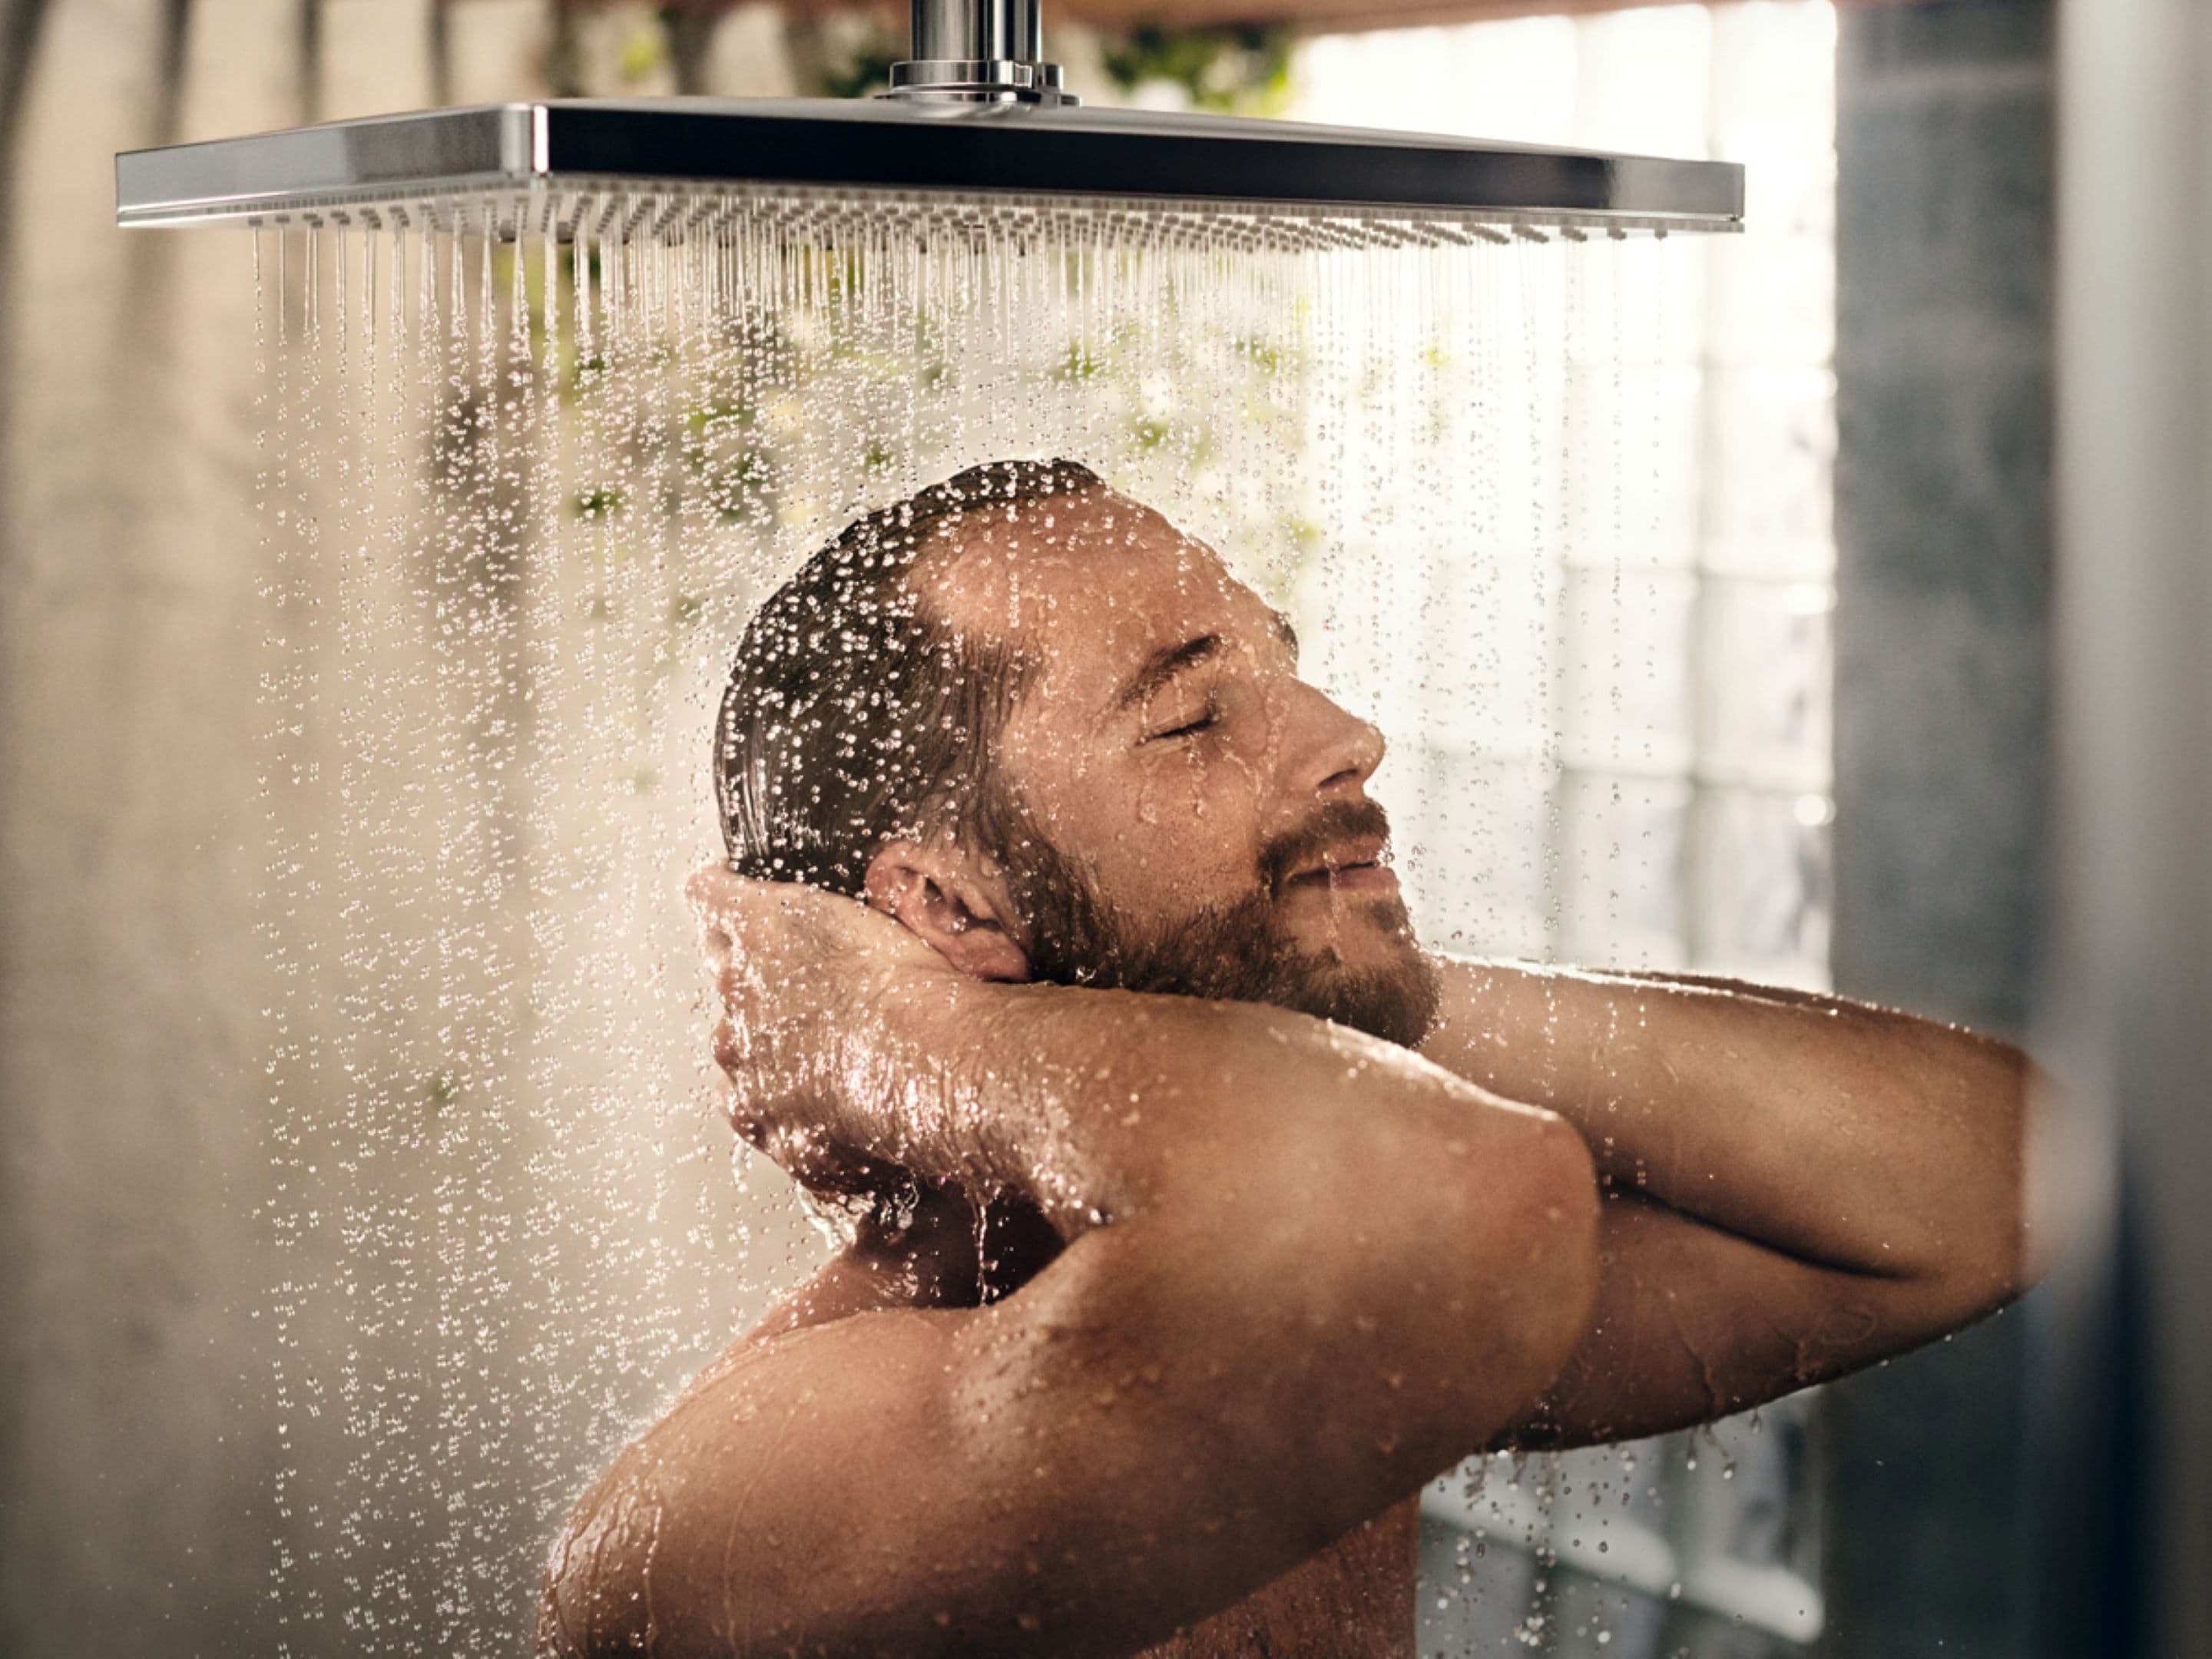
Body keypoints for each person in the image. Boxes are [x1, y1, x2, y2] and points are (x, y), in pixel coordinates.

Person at [538, 459, 2036, 1658]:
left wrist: (1326, 973)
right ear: (947, 908)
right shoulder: (750, 1485)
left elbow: (1995, 1184)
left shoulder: (1341, 1304)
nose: (1347, 735)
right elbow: (1416, 1192)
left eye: (1288, 672)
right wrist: (904, 1035)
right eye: (1194, 717)